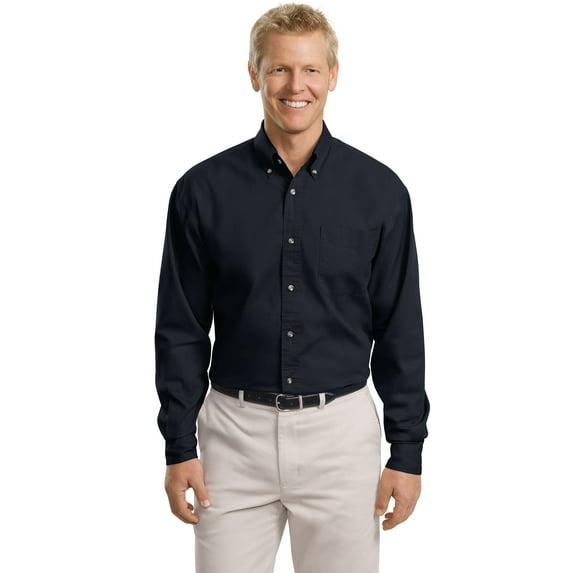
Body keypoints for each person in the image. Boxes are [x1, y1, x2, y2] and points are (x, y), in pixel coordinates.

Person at [154, 4, 430, 572]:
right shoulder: (201, 191)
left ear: (333, 75)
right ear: (254, 74)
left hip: (341, 438)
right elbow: (181, 327)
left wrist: (407, 450)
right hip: (233, 437)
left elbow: (400, 329)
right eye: (279, 69)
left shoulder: (380, 192)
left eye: (310, 70)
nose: (295, 85)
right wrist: (179, 445)